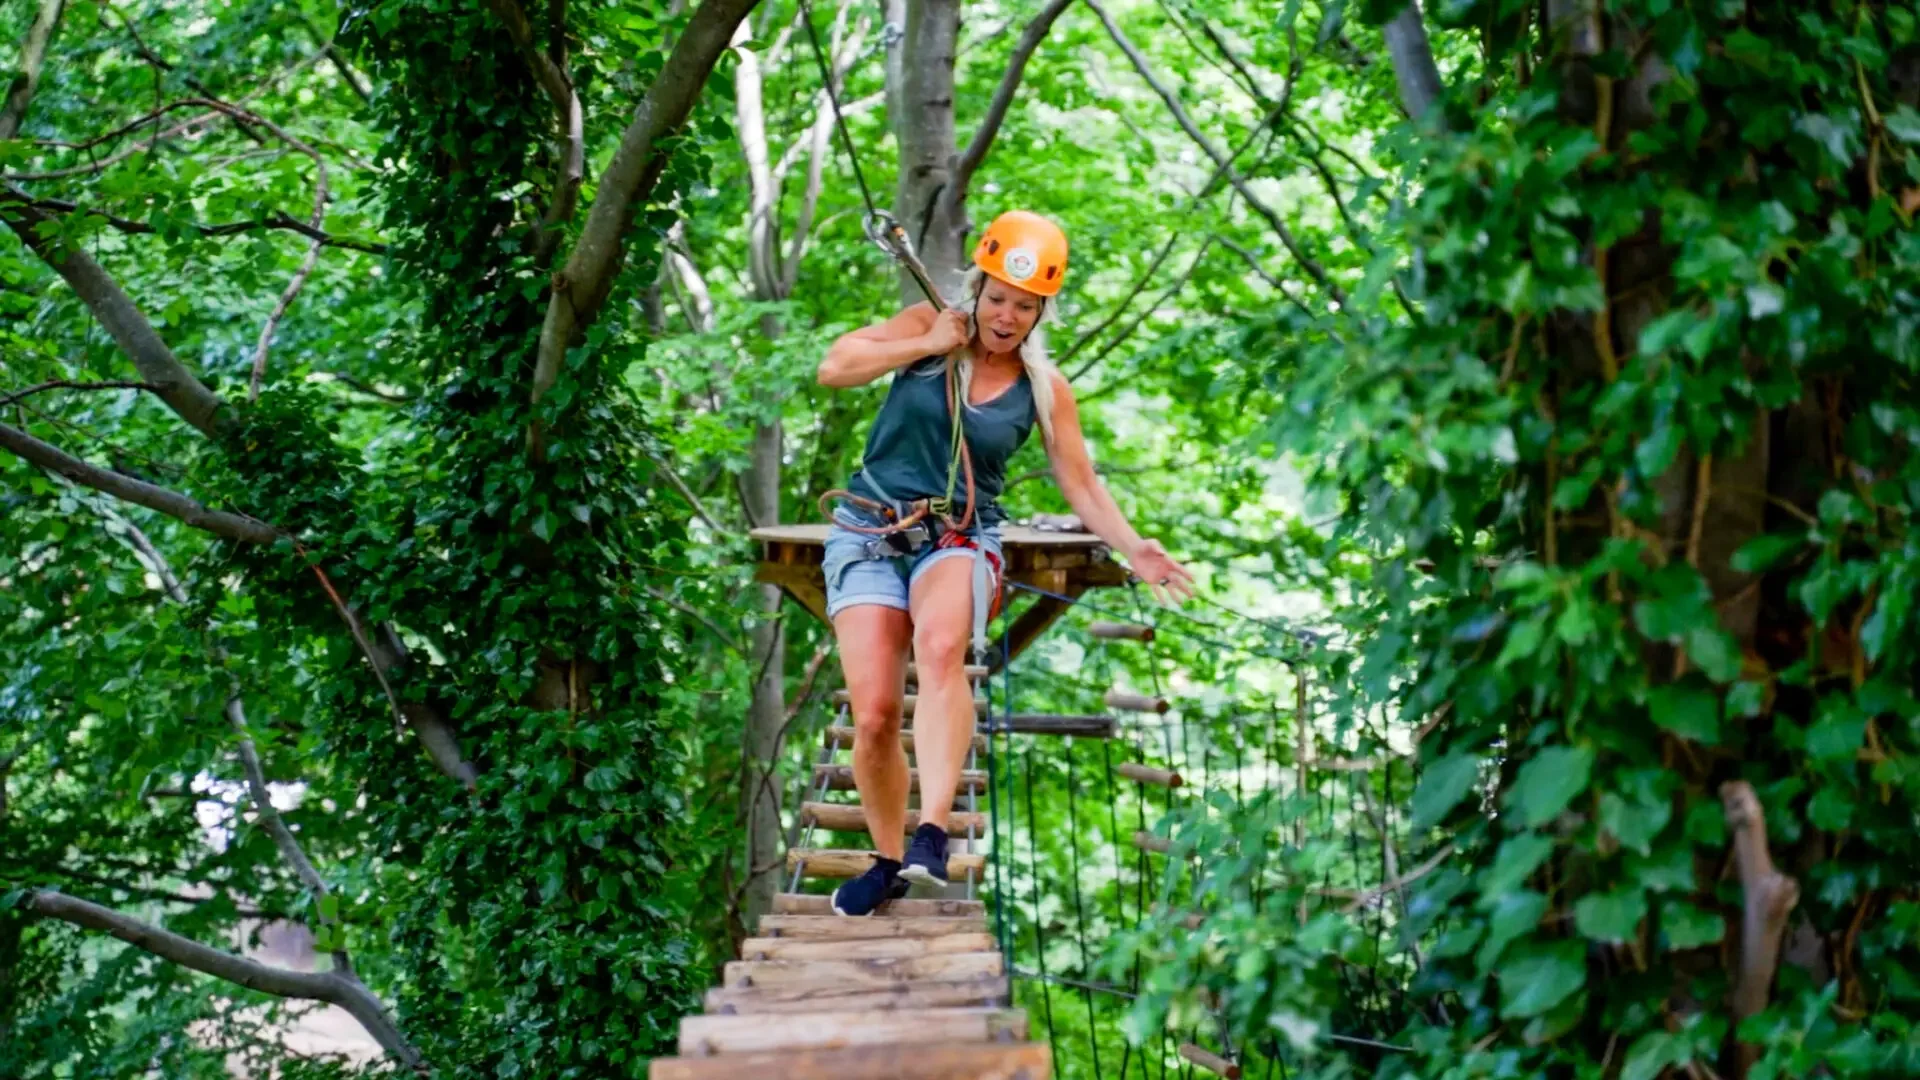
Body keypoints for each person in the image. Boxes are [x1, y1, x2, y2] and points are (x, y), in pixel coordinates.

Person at [814, 210, 1196, 916]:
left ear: (1041, 310)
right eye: (997, 298)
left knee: (939, 646)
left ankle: (934, 829)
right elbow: (833, 368)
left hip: (959, 535)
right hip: (869, 530)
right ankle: (889, 859)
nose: (1006, 316)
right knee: (871, 716)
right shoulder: (925, 327)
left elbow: (1079, 483)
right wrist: (926, 342)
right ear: (979, 287)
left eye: (1024, 306)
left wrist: (1134, 547)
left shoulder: (1043, 389)